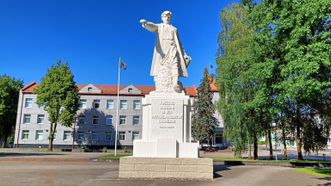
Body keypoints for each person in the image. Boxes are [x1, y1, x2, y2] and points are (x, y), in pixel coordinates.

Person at [140, 10, 191, 92]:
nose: (167, 18)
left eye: (168, 17)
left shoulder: (174, 29)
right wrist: (146, 23)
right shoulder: (159, 26)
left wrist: (184, 54)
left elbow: (179, 42)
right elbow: (152, 26)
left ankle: (175, 84)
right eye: (165, 16)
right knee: (161, 67)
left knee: (175, 65)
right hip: (162, 49)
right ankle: (161, 85)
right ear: (162, 18)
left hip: (172, 47)